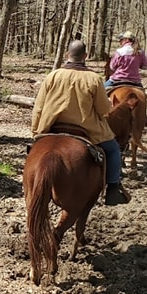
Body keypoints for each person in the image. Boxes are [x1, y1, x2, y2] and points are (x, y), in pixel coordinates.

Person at [32, 40, 130, 206]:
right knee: (113, 149)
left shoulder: (53, 75)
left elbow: (39, 106)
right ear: (86, 56)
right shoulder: (93, 78)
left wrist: (35, 131)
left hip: (52, 126)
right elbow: (104, 109)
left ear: (67, 55)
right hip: (87, 129)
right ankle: (113, 189)